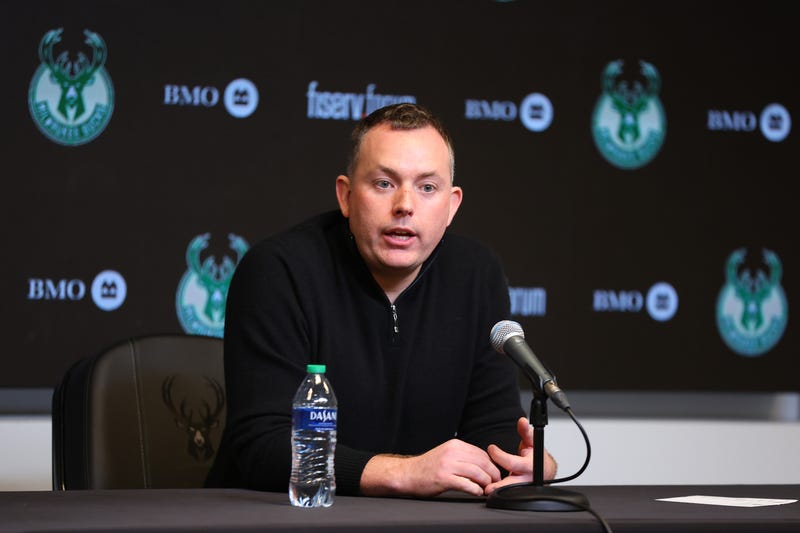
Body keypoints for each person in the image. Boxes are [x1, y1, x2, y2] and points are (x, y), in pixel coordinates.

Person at [205, 102, 557, 497]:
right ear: (346, 195)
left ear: (452, 205)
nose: (405, 205)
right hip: (280, 518)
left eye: (427, 187)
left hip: (410, 523)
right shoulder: (277, 271)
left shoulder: (476, 274)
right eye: (384, 183)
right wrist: (405, 473)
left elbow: (491, 430)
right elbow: (261, 446)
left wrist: (520, 462)